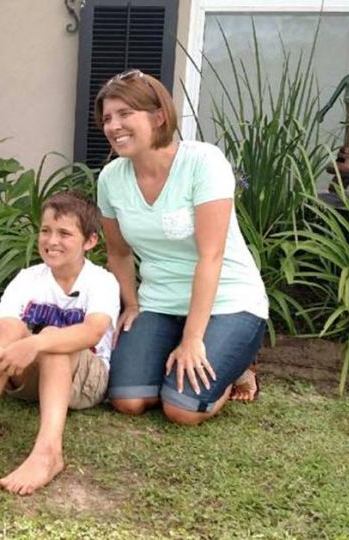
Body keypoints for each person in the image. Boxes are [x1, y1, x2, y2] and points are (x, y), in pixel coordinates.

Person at [94, 69, 268, 425]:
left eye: (125, 114)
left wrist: (192, 339)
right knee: (128, 399)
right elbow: (118, 252)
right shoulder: (111, 178)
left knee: (181, 408)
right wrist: (132, 303)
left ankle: (236, 370)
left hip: (228, 302)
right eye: (108, 118)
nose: (113, 126)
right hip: (161, 302)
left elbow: (211, 256)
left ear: (159, 116)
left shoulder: (203, 162)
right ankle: (178, 356)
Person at [0, 191, 120, 496]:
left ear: (90, 241)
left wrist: (37, 343)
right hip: (29, 378)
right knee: (9, 327)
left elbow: (92, 332)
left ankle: (49, 453)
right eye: (45, 230)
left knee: (53, 338)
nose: (52, 241)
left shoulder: (101, 281)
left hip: (85, 381)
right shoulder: (28, 277)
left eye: (64, 233)